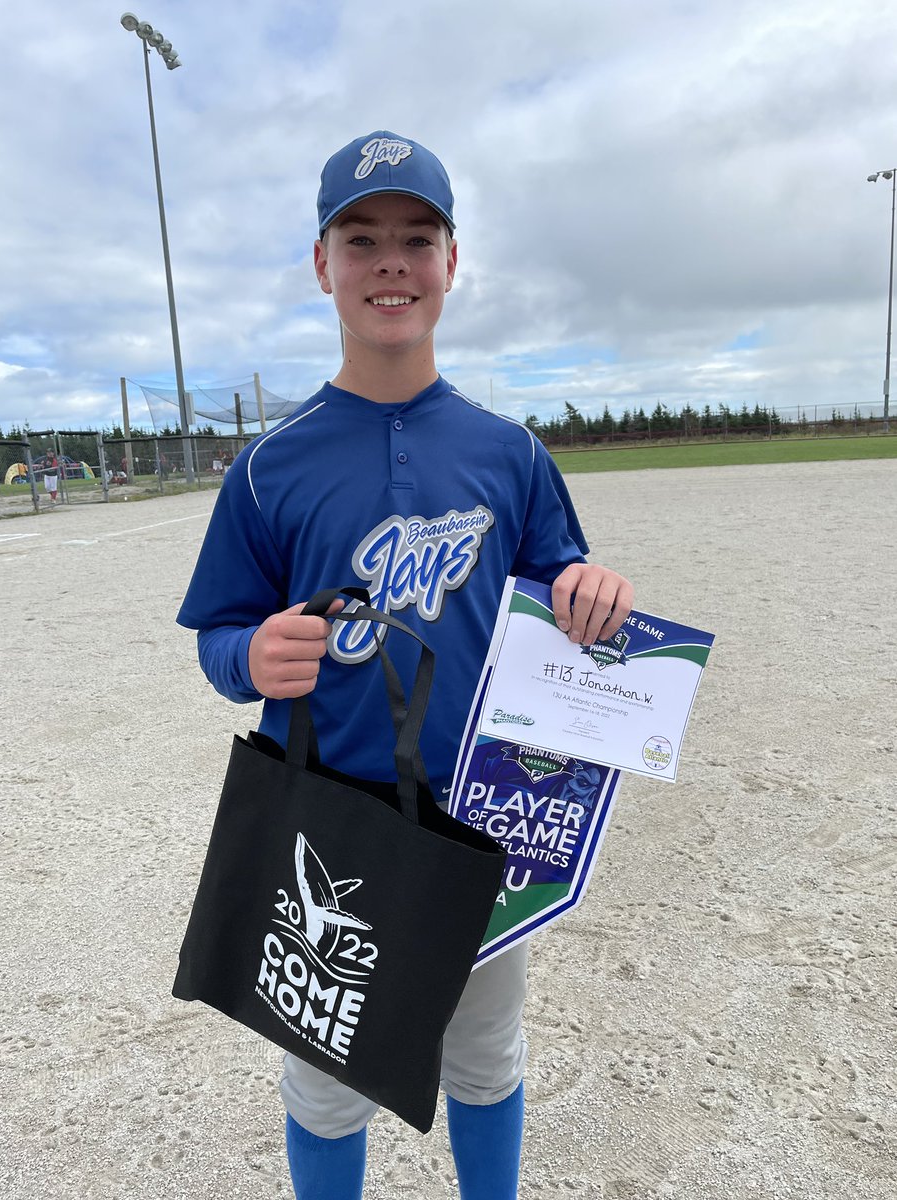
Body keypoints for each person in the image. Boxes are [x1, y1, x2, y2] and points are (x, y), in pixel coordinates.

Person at [176, 131, 634, 1200]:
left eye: (417, 238)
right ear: (322, 265)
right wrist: (254, 650)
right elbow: (219, 640)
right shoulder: (269, 466)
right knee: (326, 1080)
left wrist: (594, 597)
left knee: (484, 1058)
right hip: (329, 813)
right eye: (362, 237)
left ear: (452, 263)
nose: (392, 261)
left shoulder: (509, 453)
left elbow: (567, 593)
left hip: (486, 815)